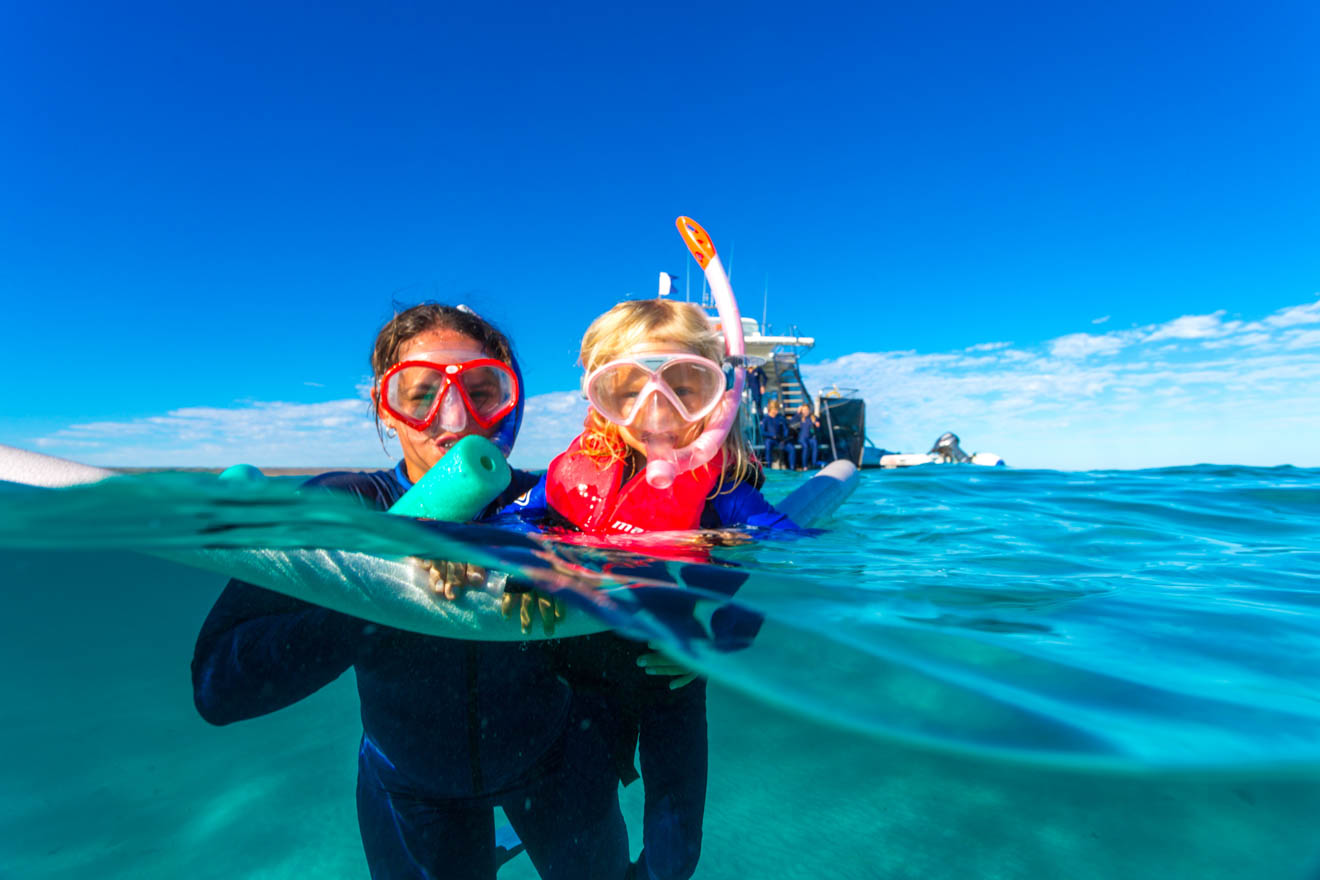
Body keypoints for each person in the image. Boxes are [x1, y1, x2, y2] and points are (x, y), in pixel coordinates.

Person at [190, 303, 630, 880]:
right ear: (386, 411)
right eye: (419, 395)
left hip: (555, 759)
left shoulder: (555, 506)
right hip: (411, 789)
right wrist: (381, 589)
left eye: (482, 391)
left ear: (510, 406)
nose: (455, 419)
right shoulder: (343, 510)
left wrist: (660, 651)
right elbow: (218, 687)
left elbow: (633, 607)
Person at [510, 299, 800, 880]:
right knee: (586, 840)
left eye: (684, 387)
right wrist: (529, 568)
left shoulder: (725, 490)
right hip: (581, 679)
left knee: (675, 857)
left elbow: (788, 556)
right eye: (627, 389)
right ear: (600, 399)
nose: (656, 411)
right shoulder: (574, 472)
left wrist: (715, 642)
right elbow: (516, 524)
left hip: (673, 678)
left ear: (717, 394)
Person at [789, 404, 820, 470]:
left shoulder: (813, 418)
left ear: (809, 410)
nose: (805, 411)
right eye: (803, 410)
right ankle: (804, 466)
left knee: (815, 443)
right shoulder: (800, 417)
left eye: (806, 410)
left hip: (810, 438)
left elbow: (818, 428)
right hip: (802, 438)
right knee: (805, 446)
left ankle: (814, 464)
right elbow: (791, 422)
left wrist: (817, 425)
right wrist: (797, 413)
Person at [759, 398, 788, 469]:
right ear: (770, 409)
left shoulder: (780, 418)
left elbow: (785, 429)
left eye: (777, 409)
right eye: (775, 409)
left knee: (790, 448)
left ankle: (788, 466)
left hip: (779, 439)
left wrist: (784, 438)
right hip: (770, 440)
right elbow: (762, 432)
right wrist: (772, 435)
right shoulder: (765, 419)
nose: (776, 411)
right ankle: (769, 466)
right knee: (768, 445)